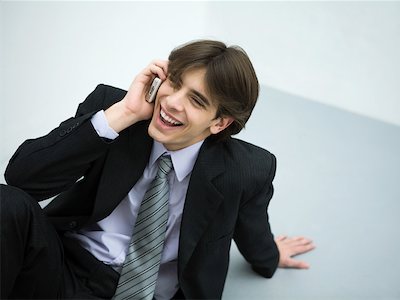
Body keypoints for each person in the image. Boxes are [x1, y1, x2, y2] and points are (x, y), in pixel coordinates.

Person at [1, 39, 315, 299]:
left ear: (220, 122)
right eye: (174, 82)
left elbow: (252, 228)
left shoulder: (246, 169)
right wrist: (124, 113)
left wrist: (269, 257)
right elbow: (21, 179)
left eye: (195, 100)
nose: (172, 102)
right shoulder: (115, 110)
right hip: (62, 267)